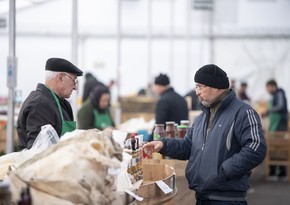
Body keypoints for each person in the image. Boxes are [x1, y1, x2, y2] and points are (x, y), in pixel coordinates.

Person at [143, 64, 266, 205]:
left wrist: (225, 170)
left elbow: (256, 148)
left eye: (200, 86)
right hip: (202, 197)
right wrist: (164, 144)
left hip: (227, 199)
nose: (197, 92)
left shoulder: (243, 113)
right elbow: (188, 146)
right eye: (196, 87)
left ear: (215, 86)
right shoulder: (202, 118)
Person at [17, 58, 83, 150]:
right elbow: (38, 150)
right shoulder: (39, 104)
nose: (75, 87)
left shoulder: (64, 104)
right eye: (74, 80)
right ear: (60, 78)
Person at [261, 79, 288, 179]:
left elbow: (280, 106)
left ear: (272, 86)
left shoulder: (279, 94)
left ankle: (280, 172)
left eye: (268, 87)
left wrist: (268, 110)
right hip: (275, 124)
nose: (267, 90)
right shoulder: (275, 95)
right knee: (275, 147)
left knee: (279, 147)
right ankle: (274, 171)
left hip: (280, 124)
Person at [150, 73, 188, 140]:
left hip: (169, 141)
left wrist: (149, 141)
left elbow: (159, 125)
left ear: (159, 86)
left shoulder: (163, 101)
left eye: (155, 86)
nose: (154, 89)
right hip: (183, 139)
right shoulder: (182, 99)